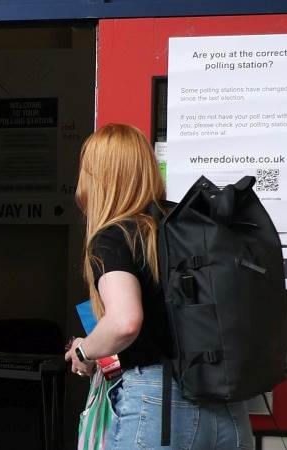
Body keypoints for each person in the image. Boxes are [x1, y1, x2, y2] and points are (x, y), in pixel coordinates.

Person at [64, 124, 253, 449]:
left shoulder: (114, 236)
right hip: (228, 407)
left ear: (97, 178)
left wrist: (84, 350)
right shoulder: (189, 225)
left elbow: (125, 322)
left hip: (160, 401)